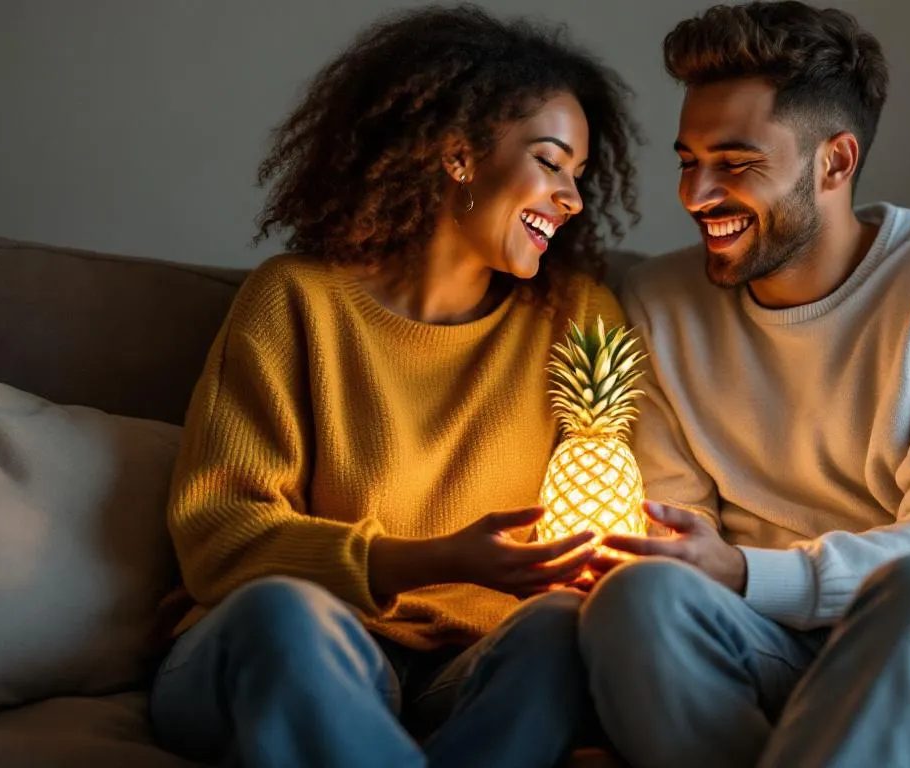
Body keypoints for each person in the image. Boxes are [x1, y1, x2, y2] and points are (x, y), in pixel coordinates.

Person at [577, 3, 910, 767]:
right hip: (772, 640)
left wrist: (754, 572)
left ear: (834, 162)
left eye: (737, 162)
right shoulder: (660, 303)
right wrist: (692, 561)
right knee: (634, 597)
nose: (697, 193)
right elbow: (679, 534)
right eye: (689, 160)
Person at [147, 7, 637, 768]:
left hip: (465, 672)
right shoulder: (296, 299)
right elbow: (218, 538)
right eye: (550, 161)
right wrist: (435, 559)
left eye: (578, 175)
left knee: (562, 630)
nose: (570, 197)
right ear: (459, 155)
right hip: (280, 651)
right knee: (286, 614)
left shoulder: (578, 318)